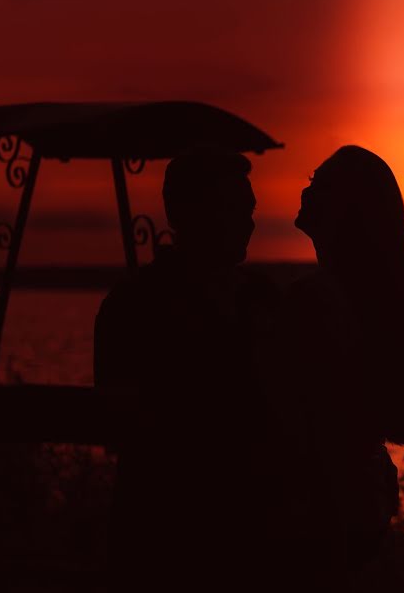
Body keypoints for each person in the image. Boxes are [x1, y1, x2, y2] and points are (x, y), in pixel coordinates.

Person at [94, 152, 281, 590]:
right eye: (236, 209)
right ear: (190, 212)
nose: (249, 223)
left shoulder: (262, 299)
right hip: (163, 530)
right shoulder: (134, 306)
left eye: (249, 210)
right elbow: (121, 421)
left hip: (246, 528)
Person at [274, 145, 404, 583]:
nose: (305, 190)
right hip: (360, 499)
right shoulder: (369, 302)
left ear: (345, 207)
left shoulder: (314, 301)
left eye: (319, 183)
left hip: (320, 508)